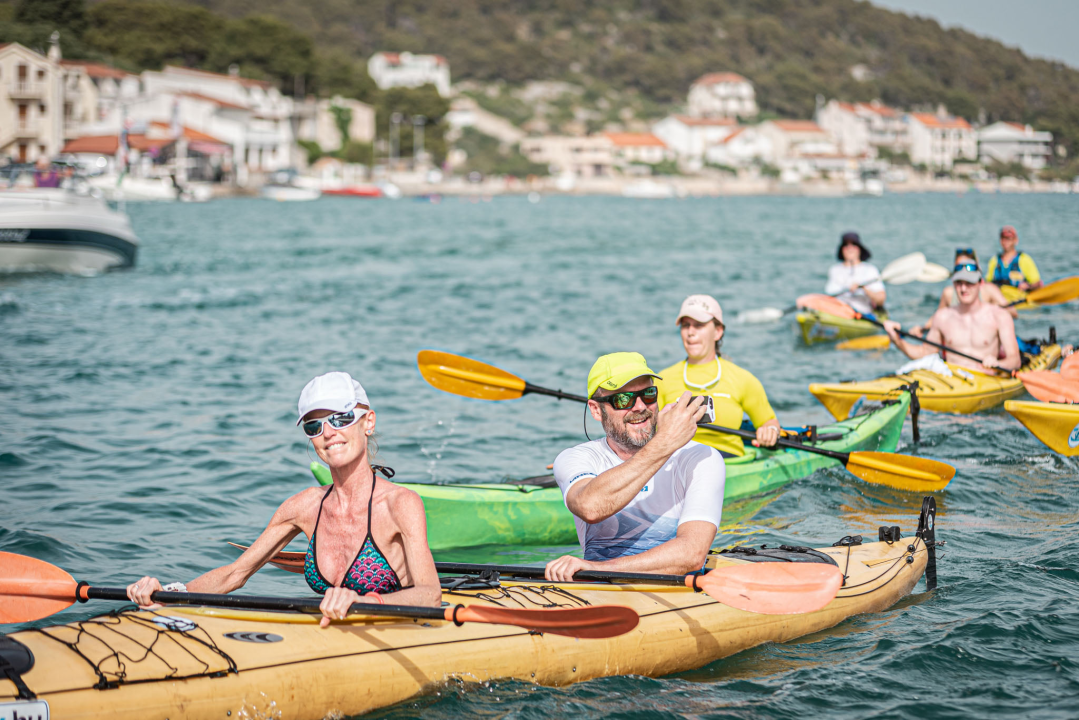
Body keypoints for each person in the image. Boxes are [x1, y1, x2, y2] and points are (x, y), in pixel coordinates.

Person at [127, 372, 441, 626]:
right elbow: (236, 574)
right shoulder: (302, 507)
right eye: (314, 425)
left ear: (368, 422)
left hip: (401, 629)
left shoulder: (400, 505)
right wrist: (170, 593)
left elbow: (430, 595)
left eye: (341, 418)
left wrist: (366, 602)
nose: (328, 432)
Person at [545, 352, 725, 582]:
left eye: (648, 394)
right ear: (596, 409)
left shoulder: (701, 457)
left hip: (676, 589)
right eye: (624, 399)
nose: (640, 407)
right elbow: (590, 508)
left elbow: (691, 555)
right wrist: (664, 443)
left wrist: (593, 567)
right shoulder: (576, 458)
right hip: (599, 588)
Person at [656, 294, 780, 458]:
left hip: (729, 460)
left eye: (699, 325)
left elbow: (769, 422)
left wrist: (769, 431)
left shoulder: (743, 379)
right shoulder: (662, 380)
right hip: (678, 460)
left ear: (718, 332)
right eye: (686, 325)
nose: (690, 332)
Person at [883, 263, 1021, 372]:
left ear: (980, 283)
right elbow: (924, 353)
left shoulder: (999, 316)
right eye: (959, 283)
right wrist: (896, 340)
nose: (963, 289)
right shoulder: (943, 317)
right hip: (953, 378)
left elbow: (1015, 360)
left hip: (986, 378)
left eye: (969, 283)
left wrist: (998, 363)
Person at [911, 249, 1016, 336]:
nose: (964, 288)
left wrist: (992, 310)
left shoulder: (989, 290)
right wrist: (922, 329)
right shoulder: (948, 293)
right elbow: (937, 317)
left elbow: (1013, 313)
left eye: (967, 266)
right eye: (960, 266)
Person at [825, 232, 886, 315]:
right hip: (838, 311)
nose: (850, 248)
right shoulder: (834, 270)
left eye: (854, 245)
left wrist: (864, 289)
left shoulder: (870, 269)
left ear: (859, 249)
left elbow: (880, 300)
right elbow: (829, 294)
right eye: (846, 245)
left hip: (862, 313)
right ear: (842, 249)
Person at [986, 225, 1042, 291]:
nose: (1006, 241)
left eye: (1009, 239)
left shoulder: (1024, 259)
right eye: (1003, 238)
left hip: (1019, 298)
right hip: (999, 298)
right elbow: (987, 283)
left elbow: (1038, 284)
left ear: (1015, 240)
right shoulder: (994, 260)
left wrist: (1028, 286)